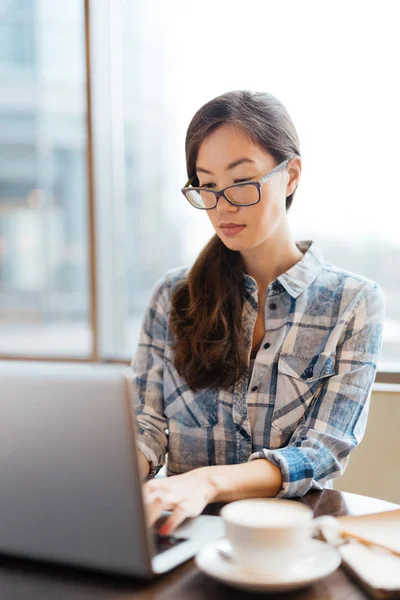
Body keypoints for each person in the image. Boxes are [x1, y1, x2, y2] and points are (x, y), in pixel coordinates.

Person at [131, 90, 385, 536]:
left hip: (290, 540)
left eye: (242, 182)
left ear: (291, 176)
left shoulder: (354, 303)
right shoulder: (173, 295)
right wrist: (102, 483)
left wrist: (206, 482)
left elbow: (321, 451)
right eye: (206, 186)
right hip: (179, 531)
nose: (222, 205)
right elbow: (145, 427)